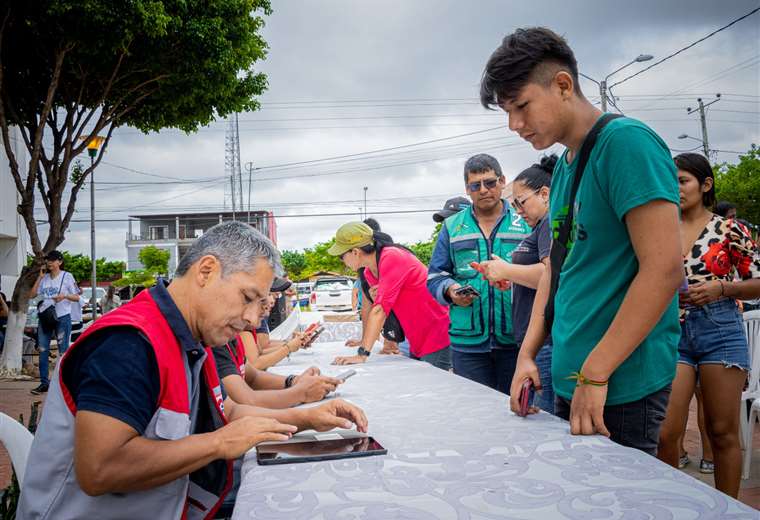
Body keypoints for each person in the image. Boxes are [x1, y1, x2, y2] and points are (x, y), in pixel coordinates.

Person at [18, 222, 367, 519]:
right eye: (247, 298)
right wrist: (218, 443)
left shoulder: (189, 337)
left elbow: (224, 410)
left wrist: (307, 417)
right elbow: (100, 469)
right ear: (206, 271)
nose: (250, 319)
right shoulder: (129, 343)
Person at [480, 27, 683, 454]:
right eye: (506, 112)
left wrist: (597, 372)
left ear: (563, 85)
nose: (515, 124)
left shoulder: (626, 144)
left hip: (618, 382)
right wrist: (528, 353)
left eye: (521, 106)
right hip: (577, 373)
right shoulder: (568, 164)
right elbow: (557, 268)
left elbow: (663, 270)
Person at [657, 153, 760, 498]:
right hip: (671, 330)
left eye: (682, 180)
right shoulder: (657, 229)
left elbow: (757, 281)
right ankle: (673, 504)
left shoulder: (731, 228)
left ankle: (727, 508)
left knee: (723, 432)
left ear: (705, 185)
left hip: (720, 328)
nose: (675, 188)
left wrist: (723, 287)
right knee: (666, 431)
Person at [427, 154, 531, 392]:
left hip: (517, 339)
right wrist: (451, 290)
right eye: (476, 185)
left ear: (502, 181)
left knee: (518, 415)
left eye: (490, 182)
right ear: (467, 189)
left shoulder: (524, 221)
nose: (484, 190)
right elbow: (435, 276)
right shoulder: (452, 226)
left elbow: (544, 272)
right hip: (468, 344)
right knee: (476, 414)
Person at [475, 155, 557, 413]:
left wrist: (507, 269)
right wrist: (510, 278)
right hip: (535, 340)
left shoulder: (548, 223)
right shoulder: (539, 227)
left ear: (544, 194)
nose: (519, 212)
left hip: (546, 342)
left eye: (521, 203)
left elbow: (550, 274)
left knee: (544, 421)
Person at [329, 222, 451, 370]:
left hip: (436, 333)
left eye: (341, 256)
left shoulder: (392, 256)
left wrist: (362, 355)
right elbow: (383, 308)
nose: (341, 261)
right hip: (415, 337)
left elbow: (379, 310)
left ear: (355, 252)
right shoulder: (369, 272)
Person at [30, 250, 80, 395]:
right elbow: (32, 295)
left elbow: (77, 297)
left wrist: (64, 296)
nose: (49, 262)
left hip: (62, 317)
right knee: (42, 350)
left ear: (60, 262)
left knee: (63, 351)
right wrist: (39, 278)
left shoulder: (67, 276)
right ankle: (44, 383)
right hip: (45, 317)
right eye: (48, 260)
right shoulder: (44, 278)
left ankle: (63, 383)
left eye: (52, 260)